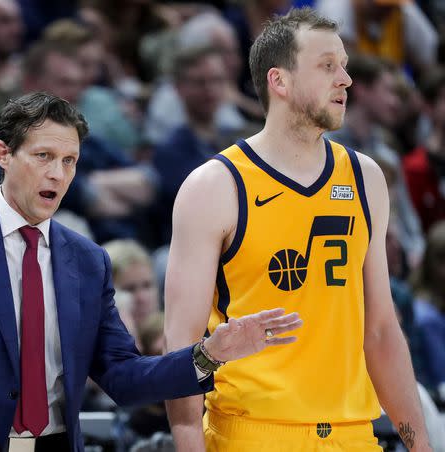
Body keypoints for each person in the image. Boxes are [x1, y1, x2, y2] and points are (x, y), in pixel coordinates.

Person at [0, 92, 303, 452]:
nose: (58, 175)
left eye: (69, 162)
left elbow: (122, 376)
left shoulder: (86, 260)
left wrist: (208, 354)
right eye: (43, 156)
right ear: (3, 154)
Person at [163, 7, 430, 452]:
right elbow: (181, 345)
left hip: (353, 436)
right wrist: (188, 441)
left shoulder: (366, 178)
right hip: (252, 434)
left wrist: (420, 445)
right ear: (279, 81)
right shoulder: (214, 185)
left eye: (344, 65)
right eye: (328, 66)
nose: (345, 79)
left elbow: (381, 331)